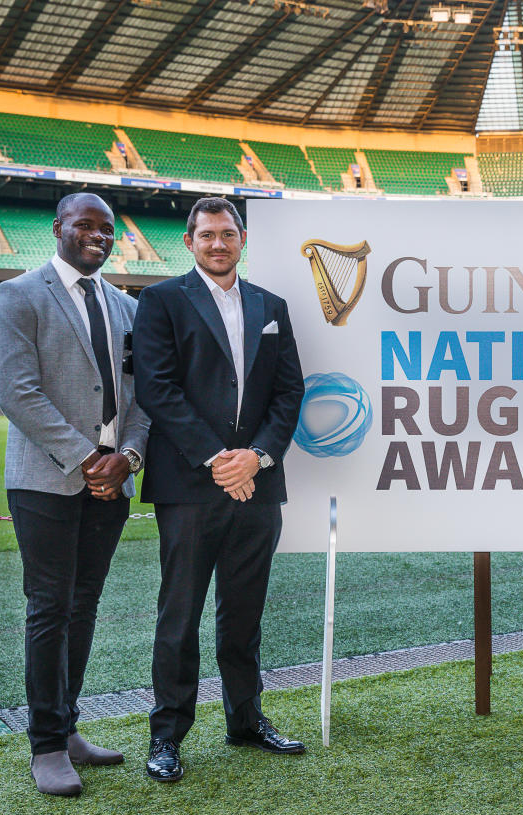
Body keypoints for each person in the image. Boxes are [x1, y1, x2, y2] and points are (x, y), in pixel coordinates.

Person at [133, 197, 305, 782]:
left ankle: (245, 720)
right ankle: (167, 735)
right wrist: (218, 460)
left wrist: (255, 457)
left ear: (242, 240)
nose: (217, 243)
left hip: (259, 483)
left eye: (227, 234)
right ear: (189, 241)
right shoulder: (158, 301)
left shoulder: (271, 306)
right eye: (206, 234)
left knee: (244, 612)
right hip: (189, 486)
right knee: (179, 615)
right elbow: (157, 390)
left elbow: (289, 393)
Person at [0, 192, 149, 797]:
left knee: (83, 608)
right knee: (50, 607)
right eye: (86, 225)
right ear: (58, 229)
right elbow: (18, 391)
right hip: (47, 479)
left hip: (111, 480)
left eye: (107, 229)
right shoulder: (19, 295)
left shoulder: (127, 308)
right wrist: (88, 459)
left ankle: (70, 725)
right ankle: (47, 745)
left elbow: (143, 397)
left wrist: (126, 458)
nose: (99, 237)